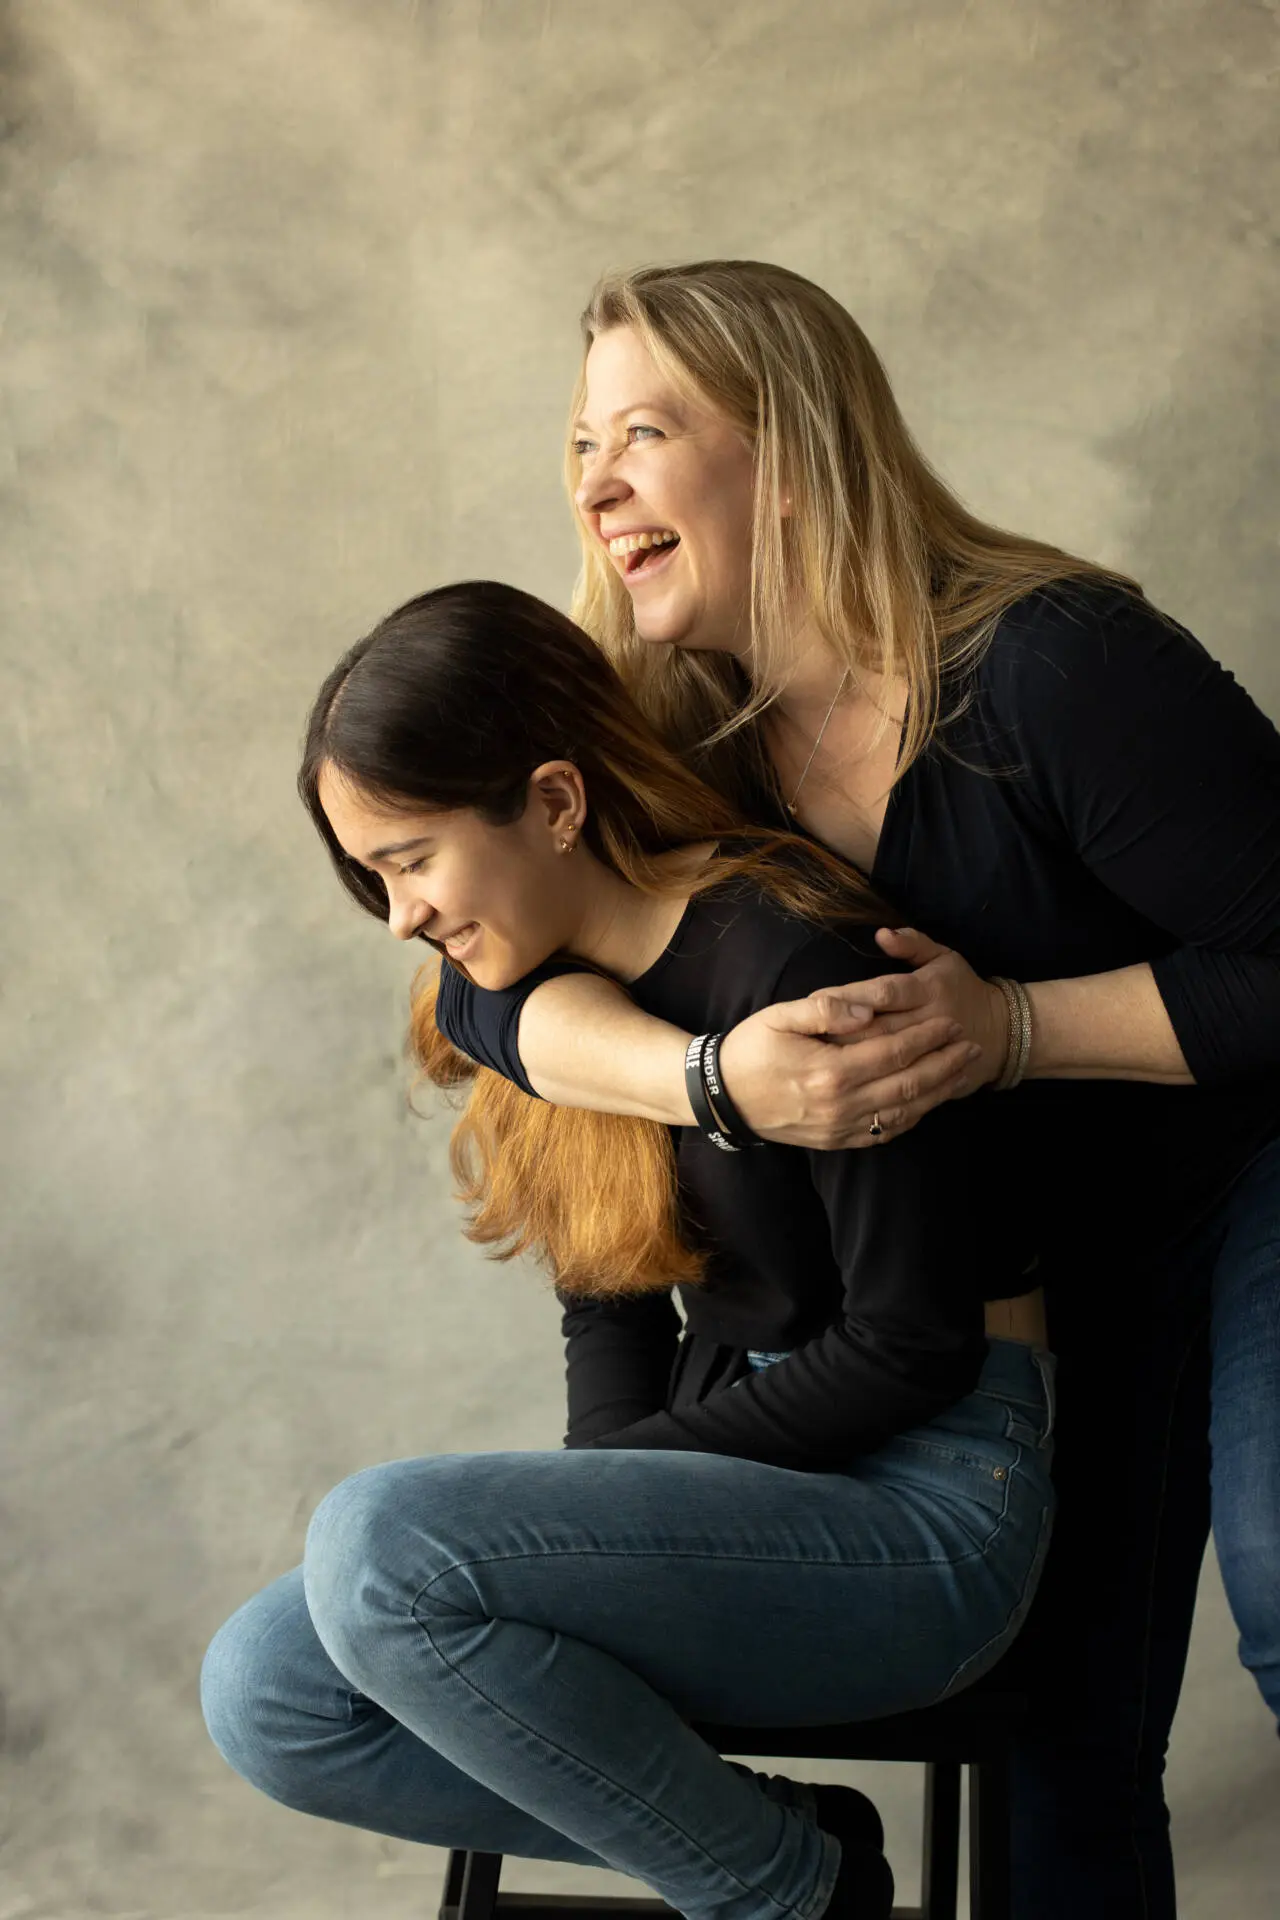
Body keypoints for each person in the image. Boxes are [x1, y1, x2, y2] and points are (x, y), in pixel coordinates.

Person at [430, 261, 1280, 1920]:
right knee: (1065, 1737)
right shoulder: (676, 730)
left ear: (795, 451)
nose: (595, 481)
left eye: (647, 432)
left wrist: (1014, 1030)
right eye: (581, 440)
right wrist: (710, 1073)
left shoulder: (1056, 666)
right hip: (1041, 1262)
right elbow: (481, 974)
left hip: (1250, 1170)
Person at [201, 581, 1057, 1920]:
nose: (399, 919)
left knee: (384, 1545)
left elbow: (915, 1344)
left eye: (412, 859)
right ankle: (785, 1852)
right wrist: (597, 1508)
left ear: (553, 802)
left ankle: (779, 1898)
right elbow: (608, 1294)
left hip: (927, 1505)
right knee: (266, 1692)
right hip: (746, 1476)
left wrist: (601, 1505)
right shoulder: (542, 1009)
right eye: (374, 876)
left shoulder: (795, 963)